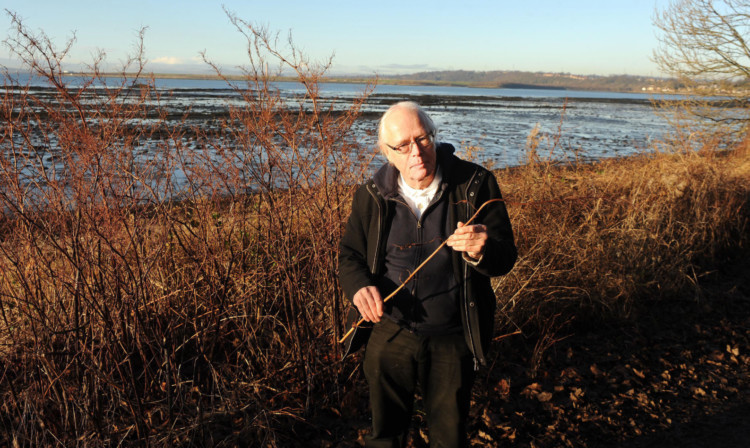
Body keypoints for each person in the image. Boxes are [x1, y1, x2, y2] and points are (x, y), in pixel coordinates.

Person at [338, 101, 517, 447]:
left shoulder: (474, 185)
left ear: (434, 137)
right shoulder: (371, 195)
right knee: (385, 435)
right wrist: (359, 289)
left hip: (452, 337)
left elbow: (505, 257)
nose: (416, 152)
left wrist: (483, 250)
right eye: (402, 145)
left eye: (422, 139)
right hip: (388, 333)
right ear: (387, 153)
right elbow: (350, 256)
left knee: (449, 437)